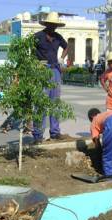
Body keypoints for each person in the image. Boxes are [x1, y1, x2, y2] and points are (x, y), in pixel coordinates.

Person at [33, 12, 68, 144]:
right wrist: (35, 63)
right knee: (41, 103)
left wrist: (62, 59)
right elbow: (30, 51)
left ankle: (54, 132)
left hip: (55, 69)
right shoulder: (37, 37)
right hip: (42, 70)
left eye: (55, 25)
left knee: (55, 103)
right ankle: (37, 134)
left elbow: (66, 47)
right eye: (51, 25)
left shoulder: (58, 37)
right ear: (46, 24)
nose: (53, 27)